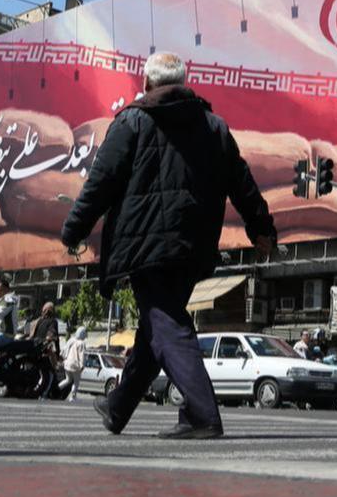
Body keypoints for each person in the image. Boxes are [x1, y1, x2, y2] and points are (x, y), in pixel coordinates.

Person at [61, 52, 276, 439]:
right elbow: (242, 183)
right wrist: (262, 229)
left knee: (166, 325)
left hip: (145, 245)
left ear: (146, 84)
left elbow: (101, 181)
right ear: (184, 82)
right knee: (156, 325)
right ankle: (117, 406)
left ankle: (202, 414)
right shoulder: (214, 126)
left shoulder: (132, 121)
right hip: (194, 246)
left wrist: (74, 229)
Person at [60, 327, 88, 401]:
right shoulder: (81, 343)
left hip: (67, 363)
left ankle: (57, 388)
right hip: (75, 365)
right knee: (76, 382)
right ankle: (73, 397)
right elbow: (82, 355)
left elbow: (64, 350)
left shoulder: (71, 340)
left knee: (68, 380)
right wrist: (82, 365)